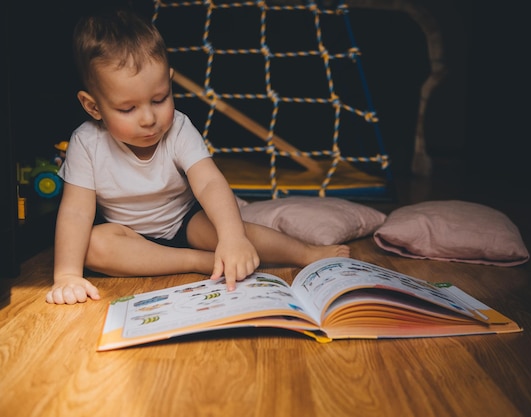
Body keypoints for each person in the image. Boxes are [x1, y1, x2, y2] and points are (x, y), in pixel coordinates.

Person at [46, 9, 350, 305]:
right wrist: (67, 275)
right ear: (93, 106)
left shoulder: (178, 127)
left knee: (233, 228)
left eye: (160, 98)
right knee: (93, 246)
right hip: (130, 237)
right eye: (128, 109)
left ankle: (306, 253)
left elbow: (209, 184)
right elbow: (76, 213)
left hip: (185, 222)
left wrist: (232, 239)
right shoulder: (86, 142)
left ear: (170, 80)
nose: (149, 118)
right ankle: (199, 261)